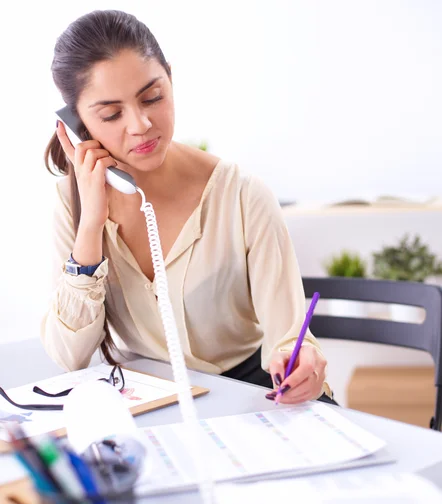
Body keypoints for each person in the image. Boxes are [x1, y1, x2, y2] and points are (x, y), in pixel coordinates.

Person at [42, 9, 334, 405]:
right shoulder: (72, 204)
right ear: (77, 125)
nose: (141, 124)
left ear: (170, 80)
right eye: (111, 114)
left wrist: (302, 364)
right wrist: (91, 226)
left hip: (250, 393)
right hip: (151, 403)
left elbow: (289, 338)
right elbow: (68, 356)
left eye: (153, 97)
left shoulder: (242, 194)